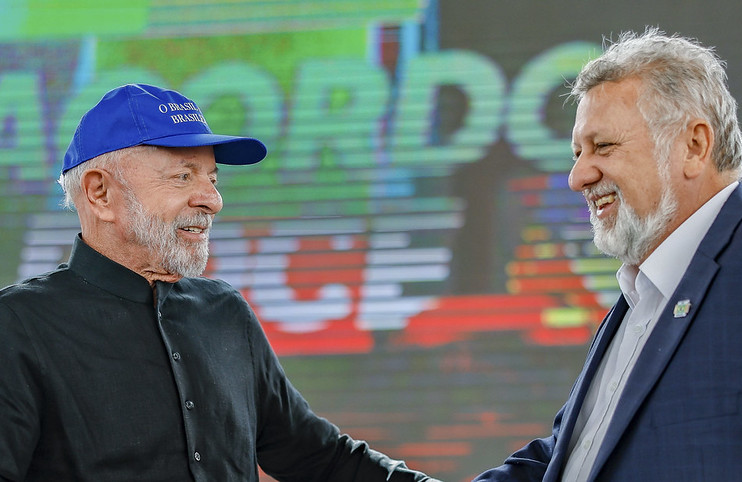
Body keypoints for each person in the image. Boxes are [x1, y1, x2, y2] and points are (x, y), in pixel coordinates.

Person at [0, 83, 441, 482]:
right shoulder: (17, 325)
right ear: (100, 193)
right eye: (183, 176)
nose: (213, 200)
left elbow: (316, 456)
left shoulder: (225, 312)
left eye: (212, 178)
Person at [474, 28, 742, 481]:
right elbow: (574, 461)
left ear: (694, 146)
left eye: (603, 146)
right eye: (577, 153)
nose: (577, 177)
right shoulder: (639, 299)